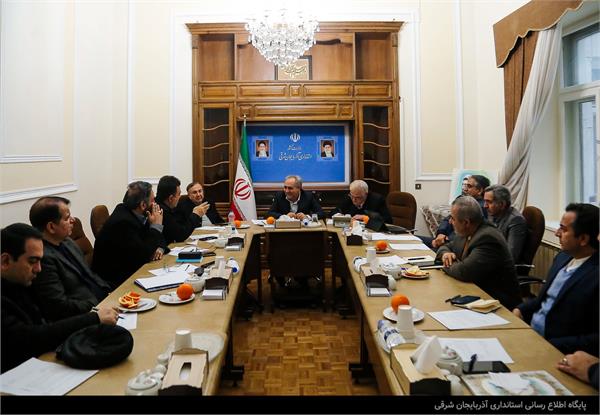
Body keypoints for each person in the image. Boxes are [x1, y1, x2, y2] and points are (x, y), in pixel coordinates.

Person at [1, 223, 118, 373]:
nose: (38, 269)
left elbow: (47, 323)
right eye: (32, 261)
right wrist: (93, 318)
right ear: (5, 261)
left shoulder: (21, 280)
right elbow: (29, 338)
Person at [513, 203, 598, 355]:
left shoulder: (595, 274)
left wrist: (549, 345)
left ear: (583, 238)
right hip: (529, 335)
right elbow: (545, 299)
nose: (557, 233)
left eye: (563, 229)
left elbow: (595, 338)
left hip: (557, 351)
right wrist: (521, 309)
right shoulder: (562, 257)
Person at [28, 197, 111, 321]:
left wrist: (109, 292)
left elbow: (90, 275)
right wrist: (97, 303)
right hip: (85, 316)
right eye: (67, 218)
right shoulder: (42, 259)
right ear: (51, 227)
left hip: (104, 301)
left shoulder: (67, 241)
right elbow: (59, 307)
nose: (73, 220)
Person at [436, 196, 521, 309]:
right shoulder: (467, 230)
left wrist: (445, 263)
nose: (450, 222)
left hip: (497, 304)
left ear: (466, 222)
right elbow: (446, 246)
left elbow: (464, 272)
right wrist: (445, 254)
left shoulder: (487, 238)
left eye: (453, 218)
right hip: (472, 293)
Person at [92, 181, 168, 289]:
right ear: (143, 205)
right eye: (153, 200)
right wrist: (156, 226)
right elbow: (143, 255)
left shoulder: (137, 214)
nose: (155, 204)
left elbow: (157, 240)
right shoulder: (123, 222)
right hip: (116, 282)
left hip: (133, 270)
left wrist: (160, 248)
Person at [423, 175, 490, 250]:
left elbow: (464, 232)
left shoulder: (479, 208)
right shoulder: (463, 200)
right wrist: (441, 233)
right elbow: (447, 219)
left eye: (469, 186)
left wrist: (445, 240)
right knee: (414, 239)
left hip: (453, 246)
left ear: (480, 190)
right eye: (465, 185)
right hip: (443, 241)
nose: (465, 189)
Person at [156, 175, 206, 243]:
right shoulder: (161, 211)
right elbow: (180, 235)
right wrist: (195, 215)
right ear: (171, 198)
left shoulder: (164, 207)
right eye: (179, 194)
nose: (180, 197)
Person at [483, 184, 527, 261]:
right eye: (485, 201)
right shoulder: (493, 213)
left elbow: (510, 256)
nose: (485, 206)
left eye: (489, 202)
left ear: (502, 204)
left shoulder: (516, 220)